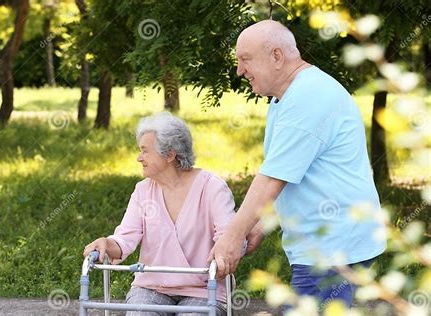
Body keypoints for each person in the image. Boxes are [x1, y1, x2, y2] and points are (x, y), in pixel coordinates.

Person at [208, 20, 387, 308]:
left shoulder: (308, 96)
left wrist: (233, 235)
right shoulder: (286, 98)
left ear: (277, 56)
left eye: (245, 59)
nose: (240, 70)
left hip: (332, 250)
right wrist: (260, 226)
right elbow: (292, 174)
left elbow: (272, 179)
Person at [84, 112, 236, 316]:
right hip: (152, 287)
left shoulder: (212, 188)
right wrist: (105, 243)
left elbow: (229, 239)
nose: (139, 158)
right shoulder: (143, 190)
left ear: (170, 154)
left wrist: (223, 258)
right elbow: (124, 240)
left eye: (145, 151)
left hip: (202, 289)